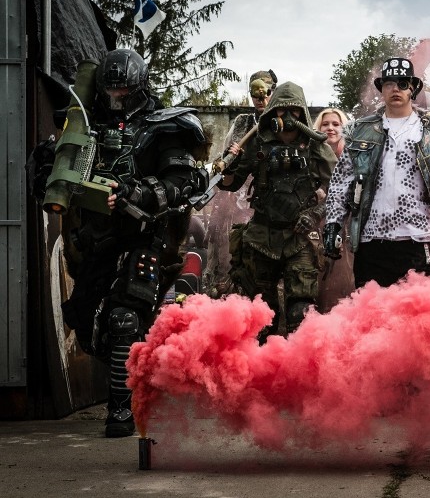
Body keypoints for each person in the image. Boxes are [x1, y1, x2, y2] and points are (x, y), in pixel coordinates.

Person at [32, 49, 210, 437]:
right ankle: (135, 379)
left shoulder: (163, 126)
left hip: (144, 237)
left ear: (138, 86)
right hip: (94, 243)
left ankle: (121, 410)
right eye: (110, 90)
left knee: (124, 317)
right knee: (88, 325)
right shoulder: (83, 125)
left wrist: (139, 191)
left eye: (124, 90)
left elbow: (184, 182)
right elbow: (49, 176)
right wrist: (45, 168)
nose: (116, 98)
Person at [322, 57, 430, 288]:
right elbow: (340, 183)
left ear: (413, 88)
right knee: (372, 314)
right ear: (382, 89)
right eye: (389, 83)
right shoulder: (360, 131)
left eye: (402, 83)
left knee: (416, 315)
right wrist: (332, 223)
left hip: (419, 239)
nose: (395, 89)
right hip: (370, 241)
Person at [218, 81, 338, 342]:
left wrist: (316, 214)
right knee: (261, 314)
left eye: (294, 111)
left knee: (300, 314)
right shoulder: (256, 142)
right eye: (281, 110)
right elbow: (232, 183)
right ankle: (260, 373)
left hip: (300, 237)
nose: (287, 117)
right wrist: (225, 166)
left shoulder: (317, 147)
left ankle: (297, 372)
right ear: (272, 112)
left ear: (302, 114)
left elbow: (341, 191)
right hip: (262, 237)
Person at [203, 70, 277, 297]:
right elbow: (226, 166)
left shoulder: (282, 122)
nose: (261, 98)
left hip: (268, 207)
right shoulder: (242, 122)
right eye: (256, 93)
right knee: (231, 267)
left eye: (266, 91)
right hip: (236, 203)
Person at [313, 108, 356, 312]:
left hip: (349, 227)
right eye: (325, 124)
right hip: (317, 226)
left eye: (336, 124)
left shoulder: (354, 154)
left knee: (347, 279)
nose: (330, 128)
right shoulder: (311, 155)